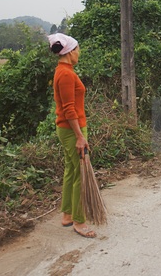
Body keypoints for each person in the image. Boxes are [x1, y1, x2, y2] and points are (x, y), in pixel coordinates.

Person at [48, 33, 96, 238]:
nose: (79, 53)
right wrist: (79, 136)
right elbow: (69, 109)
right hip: (72, 130)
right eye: (78, 49)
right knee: (80, 174)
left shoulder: (62, 71)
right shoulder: (66, 74)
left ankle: (67, 215)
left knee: (70, 170)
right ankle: (79, 221)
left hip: (66, 128)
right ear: (70, 52)